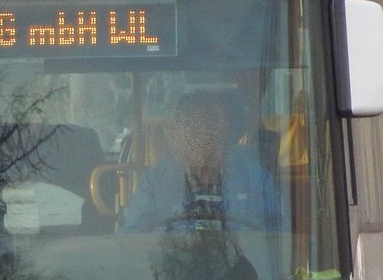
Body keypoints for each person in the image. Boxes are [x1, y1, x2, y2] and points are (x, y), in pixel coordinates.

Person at [123, 90, 287, 232]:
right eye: (194, 127)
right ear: (176, 136)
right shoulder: (155, 182)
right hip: (174, 264)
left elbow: (281, 238)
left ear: (227, 130)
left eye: (213, 123)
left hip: (242, 264)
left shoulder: (255, 178)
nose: (204, 135)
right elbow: (132, 238)